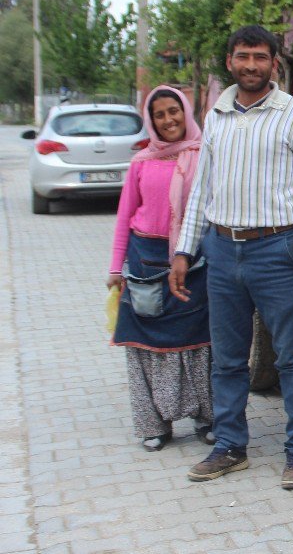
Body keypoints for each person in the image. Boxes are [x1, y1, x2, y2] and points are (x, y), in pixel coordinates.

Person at [169, 25, 293, 490]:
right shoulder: (216, 115)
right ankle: (229, 447)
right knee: (226, 358)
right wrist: (185, 248)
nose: (251, 65)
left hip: (275, 249)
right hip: (221, 250)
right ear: (230, 61)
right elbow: (202, 188)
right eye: (243, 56)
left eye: (260, 57)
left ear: (274, 64)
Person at [107, 85, 214, 452]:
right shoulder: (141, 162)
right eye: (159, 114)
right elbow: (124, 219)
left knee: (202, 339)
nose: (168, 120)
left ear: (186, 112)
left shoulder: (204, 156)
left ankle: (208, 418)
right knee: (147, 344)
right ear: (150, 121)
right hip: (145, 264)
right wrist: (115, 269)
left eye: (174, 111)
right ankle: (154, 424)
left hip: (196, 262)